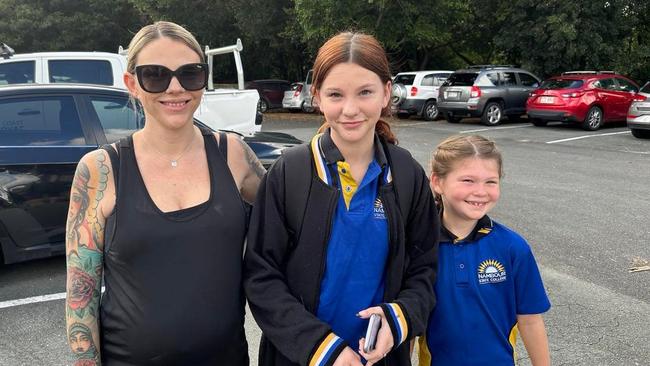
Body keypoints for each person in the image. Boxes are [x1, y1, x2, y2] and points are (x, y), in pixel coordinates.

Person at [64, 21, 265, 365]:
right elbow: (80, 295)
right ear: (132, 84)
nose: (175, 88)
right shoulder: (101, 170)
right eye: (156, 75)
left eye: (190, 73)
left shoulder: (233, 154)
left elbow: (293, 218)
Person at [244, 32, 440, 366]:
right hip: (300, 358)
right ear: (317, 96)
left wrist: (399, 319)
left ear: (386, 93)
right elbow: (261, 276)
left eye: (365, 92)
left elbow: (425, 269)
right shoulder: (289, 173)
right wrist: (322, 349)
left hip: (381, 358)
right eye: (336, 94)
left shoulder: (406, 174)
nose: (350, 109)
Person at [418, 135, 551, 366]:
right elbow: (409, 325)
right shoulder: (419, 246)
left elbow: (530, 320)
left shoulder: (513, 248)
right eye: (468, 180)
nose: (480, 191)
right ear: (437, 182)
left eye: (490, 181)